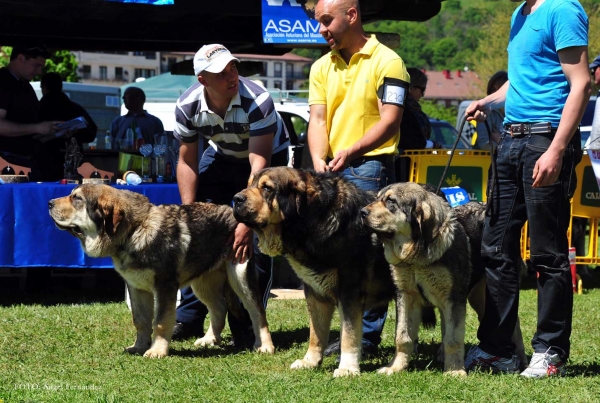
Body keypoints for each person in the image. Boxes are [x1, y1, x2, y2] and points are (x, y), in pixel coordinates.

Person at [464, 0, 590, 378]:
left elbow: (582, 83)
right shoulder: (521, 13)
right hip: (511, 140)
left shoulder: (563, 10)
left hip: (545, 139)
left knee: (547, 253)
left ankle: (550, 352)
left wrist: (555, 150)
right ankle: (500, 350)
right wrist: (485, 100)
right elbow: (520, 78)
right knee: (495, 245)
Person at [309, 0, 409, 358]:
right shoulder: (321, 66)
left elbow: (390, 120)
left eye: (326, 21)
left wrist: (350, 151)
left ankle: (366, 338)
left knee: (371, 252)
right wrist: (319, 157)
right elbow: (318, 120)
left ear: (351, 16)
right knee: (336, 252)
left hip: (371, 168)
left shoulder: (388, 61)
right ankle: (348, 334)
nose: (321, 29)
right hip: (330, 172)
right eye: (318, 21)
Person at [171, 44, 289, 347]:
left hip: (264, 164)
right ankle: (188, 317)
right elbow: (186, 162)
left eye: (233, 67)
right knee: (197, 236)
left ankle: (247, 323)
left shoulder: (258, 100)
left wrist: (246, 224)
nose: (231, 76)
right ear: (202, 80)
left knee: (259, 240)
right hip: (222, 156)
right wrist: (190, 217)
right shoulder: (187, 106)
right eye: (220, 73)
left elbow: (258, 168)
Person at [0, 44, 62, 177]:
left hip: (26, 162)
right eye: (36, 65)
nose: (39, 72)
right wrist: (37, 128)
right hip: (6, 165)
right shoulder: (2, 81)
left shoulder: (26, 87)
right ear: (21, 58)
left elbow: (31, 132)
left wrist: (55, 132)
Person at [38, 72, 98, 181]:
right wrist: (76, 134)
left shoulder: (38, 108)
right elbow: (92, 133)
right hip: (73, 162)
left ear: (45, 88)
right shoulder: (75, 108)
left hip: (44, 161)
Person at [395, 67, 441, 181]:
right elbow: (409, 139)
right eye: (422, 89)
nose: (423, 95)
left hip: (408, 165)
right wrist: (431, 144)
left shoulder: (403, 106)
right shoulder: (405, 109)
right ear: (411, 88)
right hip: (403, 167)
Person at [472, 71, 509, 150]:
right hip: (485, 159)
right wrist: (506, 147)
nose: (494, 92)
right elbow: (484, 143)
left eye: (499, 89)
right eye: (492, 89)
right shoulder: (486, 112)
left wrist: (500, 140)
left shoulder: (516, 113)